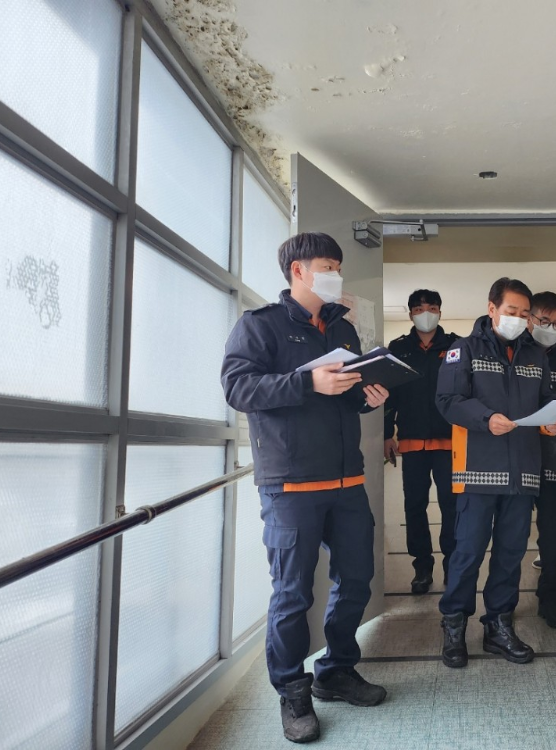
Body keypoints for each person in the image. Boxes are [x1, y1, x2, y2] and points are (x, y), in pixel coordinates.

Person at [221, 232, 389, 744]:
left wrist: (367, 396)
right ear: (298, 270)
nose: (336, 274)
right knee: (292, 593)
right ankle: (293, 691)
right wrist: (306, 381)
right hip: (290, 485)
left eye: (338, 266)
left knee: (356, 579)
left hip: (347, 480)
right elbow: (237, 388)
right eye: (328, 266)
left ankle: (335, 671)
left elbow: (346, 396)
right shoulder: (260, 325)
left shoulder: (343, 328)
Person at [435, 277, 556, 668]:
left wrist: (555, 420)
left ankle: (498, 625)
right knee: (468, 552)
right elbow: (448, 400)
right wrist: (485, 418)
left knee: (511, 554)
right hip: (478, 469)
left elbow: (546, 399)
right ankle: (454, 624)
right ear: (492, 308)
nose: (519, 319)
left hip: (523, 470)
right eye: (512, 311)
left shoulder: (536, 356)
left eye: (525, 314)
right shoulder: (463, 350)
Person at [383, 290, 460, 594]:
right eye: (418, 308)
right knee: (414, 505)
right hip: (412, 441)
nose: (425, 313)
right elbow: (389, 395)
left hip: (449, 441)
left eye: (431, 308)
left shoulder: (456, 346)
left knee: (452, 506)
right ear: (410, 314)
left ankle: (453, 563)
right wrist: (387, 433)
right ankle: (422, 567)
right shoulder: (398, 348)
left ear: (440, 311)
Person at [525, 292, 556, 628]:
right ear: (529, 319)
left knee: (555, 536)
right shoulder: (512, 352)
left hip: (554, 460)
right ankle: (501, 605)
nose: (552, 328)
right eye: (544, 321)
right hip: (516, 459)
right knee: (511, 535)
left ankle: (551, 599)